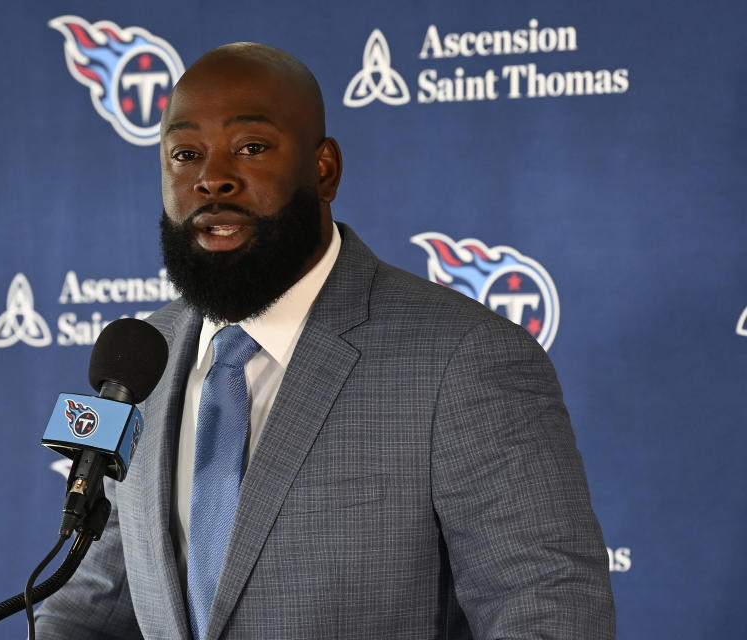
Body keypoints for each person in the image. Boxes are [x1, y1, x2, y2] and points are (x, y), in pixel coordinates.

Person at [35, 42, 615, 639]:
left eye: (251, 148)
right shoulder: (140, 359)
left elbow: (549, 609)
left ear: (324, 168)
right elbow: (91, 604)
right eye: (185, 154)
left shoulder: (463, 358)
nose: (212, 179)